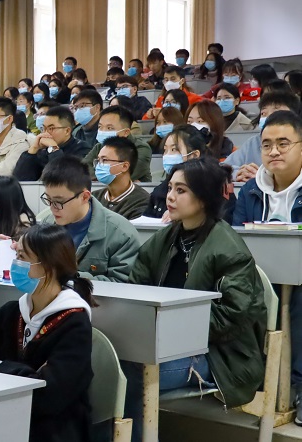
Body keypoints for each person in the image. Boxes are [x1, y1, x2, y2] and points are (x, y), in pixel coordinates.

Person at [126, 157, 265, 440]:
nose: (170, 196)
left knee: (130, 377)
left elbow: (230, 317)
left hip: (218, 355)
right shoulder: (167, 237)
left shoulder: (229, 249)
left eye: (181, 190)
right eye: (170, 188)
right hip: (166, 343)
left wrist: (171, 327)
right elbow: (136, 285)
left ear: (203, 198)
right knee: (108, 365)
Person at [0, 224, 95, 442]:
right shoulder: (6, 314)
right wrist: (29, 375)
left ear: (48, 266)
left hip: (53, 430)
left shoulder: (74, 323)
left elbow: (49, 396)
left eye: (22, 257)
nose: (15, 264)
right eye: (16, 255)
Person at [232, 111, 302, 422]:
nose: (274, 151)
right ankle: (253, 378)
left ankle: (297, 384)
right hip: (262, 276)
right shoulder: (250, 190)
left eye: (283, 143)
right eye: (267, 145)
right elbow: (237, 242)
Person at [39, 156, 140, 282]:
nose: (52, 208)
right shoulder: (47, 224)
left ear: (85, 197)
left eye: (59, 201)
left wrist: (72, 277)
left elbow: (122, 283)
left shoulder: (121, 234)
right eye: (48, 199)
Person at [145, 125, 237, 223]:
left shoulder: (217, 186)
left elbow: (221, 222)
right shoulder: (160, 190)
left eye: (174, 150)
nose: (167, 155)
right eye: (165, 150)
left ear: (194, 155)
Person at [225, 92, 301, 182]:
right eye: (263, 113)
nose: (268, 117)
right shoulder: (254, 142)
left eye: (276, 112)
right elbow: (223, 167)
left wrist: (264, 177)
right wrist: (239, 173)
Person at [14, 106, 91, 181]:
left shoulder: (82, 149)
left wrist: (53, 148)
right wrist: (33, 149)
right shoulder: (43, 150)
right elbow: (20, 179)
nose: (46, 133)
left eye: (51, 128)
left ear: (67, 131)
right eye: (43, 128)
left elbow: (64, 178)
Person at [83, 106, 153, 182]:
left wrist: (96, 177)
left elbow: (126, 174)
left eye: (109, 128)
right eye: (100, 127)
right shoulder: (100, 146)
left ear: (126, 132)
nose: (103, 131)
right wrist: (101, 177)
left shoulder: (141, 148)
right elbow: (82, 168)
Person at [91, 137, 150, 220]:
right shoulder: (94, 197)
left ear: (124, 166)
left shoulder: (142, 202)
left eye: (104, 160)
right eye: (98, 160)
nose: (99, 165)